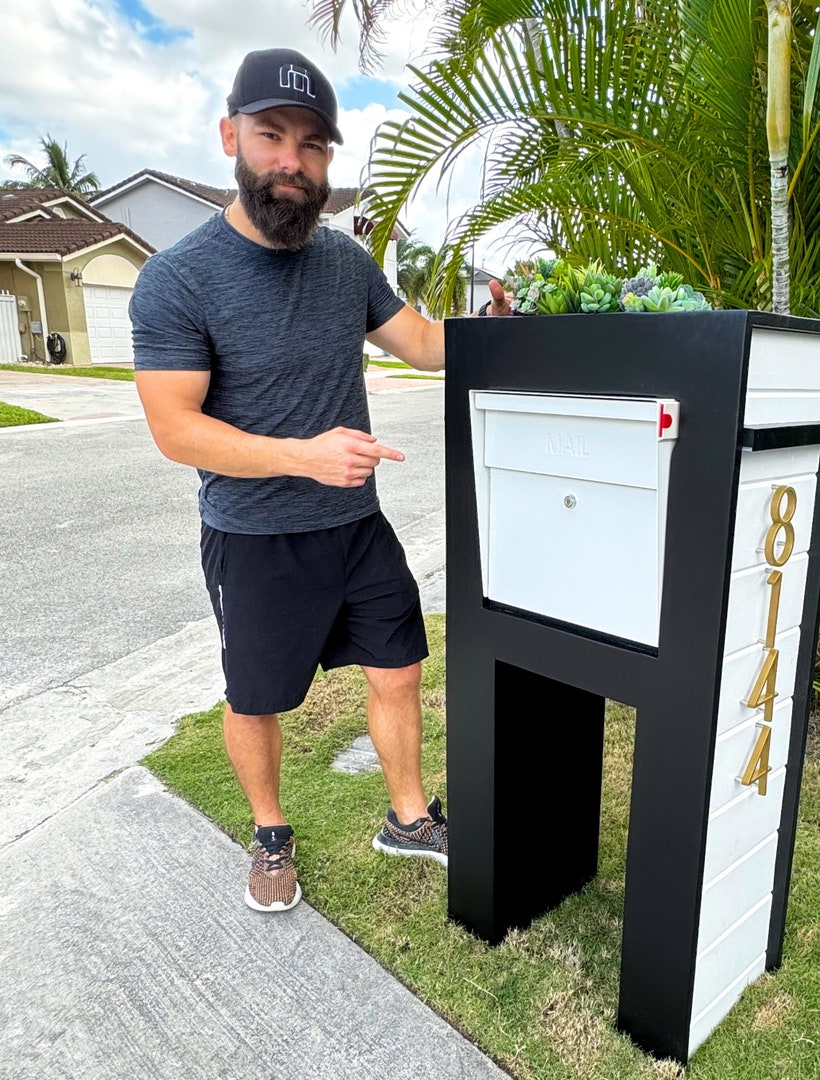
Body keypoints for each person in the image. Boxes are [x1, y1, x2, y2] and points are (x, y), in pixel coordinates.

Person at [130, 47, 508, 913]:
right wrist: (304, 454)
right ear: (232, 136)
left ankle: (408, 817)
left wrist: (499, 330)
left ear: (330, 158)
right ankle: (270, 836)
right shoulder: (178, 278)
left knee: (400, 664)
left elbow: (422, 343)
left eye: (313, 143)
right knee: (257, 696)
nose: (293, 160)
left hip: (353, 523)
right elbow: (173, 428)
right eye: (272, 136)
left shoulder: (345, 263)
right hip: (256, 535)